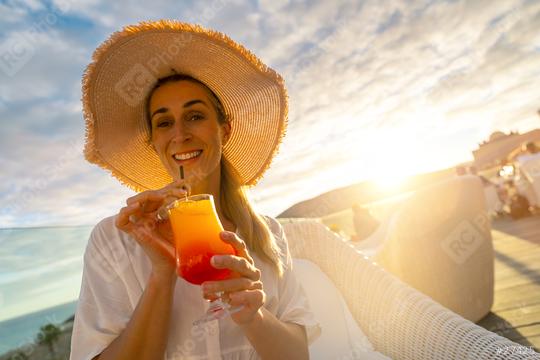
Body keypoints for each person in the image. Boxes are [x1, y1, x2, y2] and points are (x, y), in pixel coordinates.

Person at [70, 20, 320, 360]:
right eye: (163, 123)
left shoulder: (268, 234)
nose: (179, 134)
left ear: (225, 129)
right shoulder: (114, 240)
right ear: (154, 142)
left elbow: (297, 354)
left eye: (195, 116)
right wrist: (161, 274)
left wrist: (253, 317)